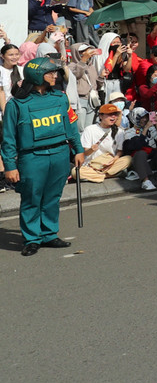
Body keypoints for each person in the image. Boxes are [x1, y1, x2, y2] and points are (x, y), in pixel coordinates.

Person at [2, 56, 84, 255]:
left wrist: (78, 149)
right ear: (37, 75)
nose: (55, 76)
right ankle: (31, 238)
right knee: (31, 197)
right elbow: (8, 138)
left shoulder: (60, 98)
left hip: (59, 154)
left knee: (52, 197)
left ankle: (49, 234)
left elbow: (71, 126)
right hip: (32, 157)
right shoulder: (17, 105)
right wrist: (10, 166)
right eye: (50, 72)